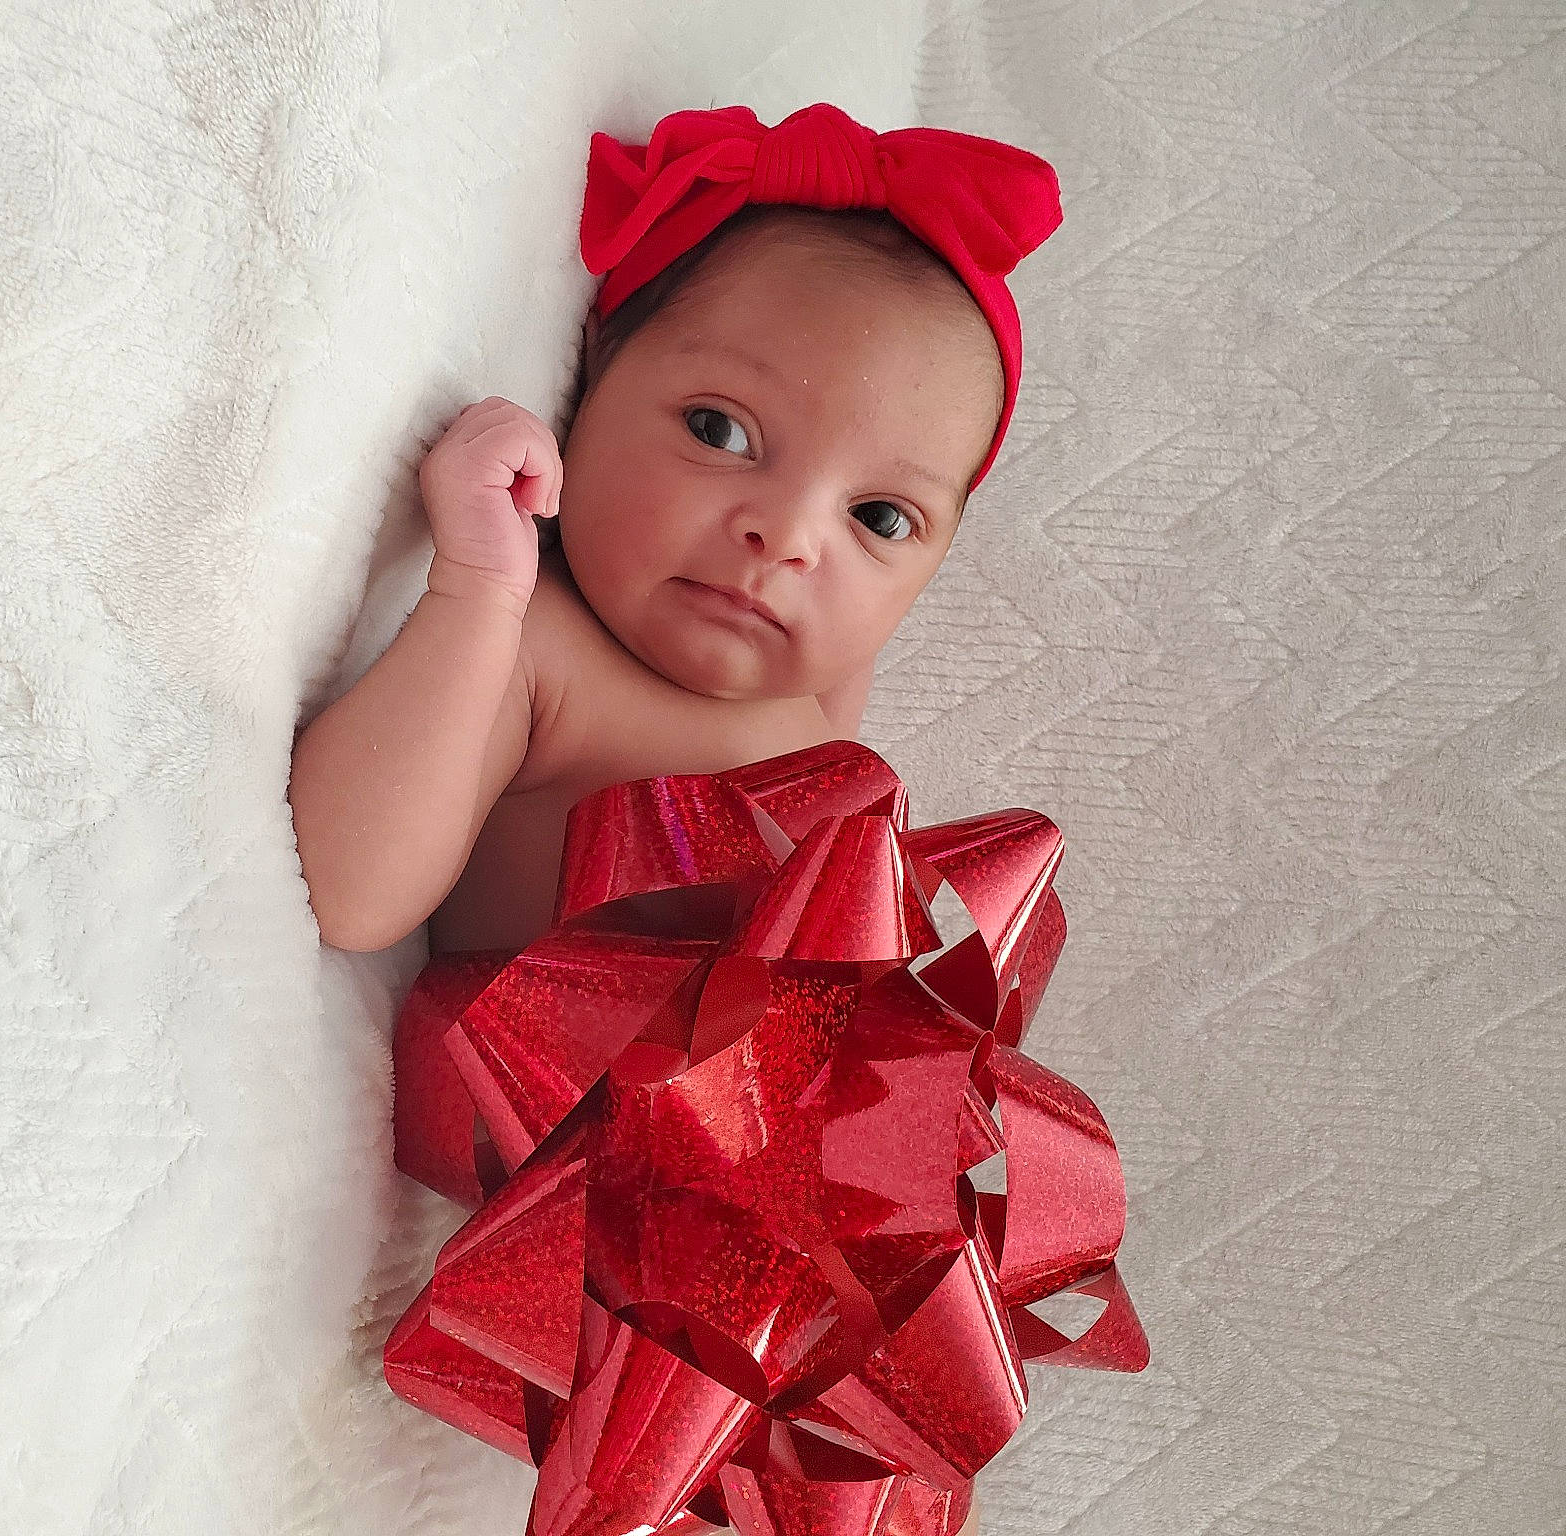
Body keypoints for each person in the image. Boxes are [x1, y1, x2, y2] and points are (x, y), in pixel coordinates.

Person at [292, 104, 1065, 1530]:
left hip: (837, 1268)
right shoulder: (545, 659)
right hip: (631, 1271)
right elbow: (345, 891)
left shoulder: (827, 724)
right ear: (589, 382)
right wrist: (475, 583)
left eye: (883, 521)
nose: (789, 535)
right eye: (721, 432)